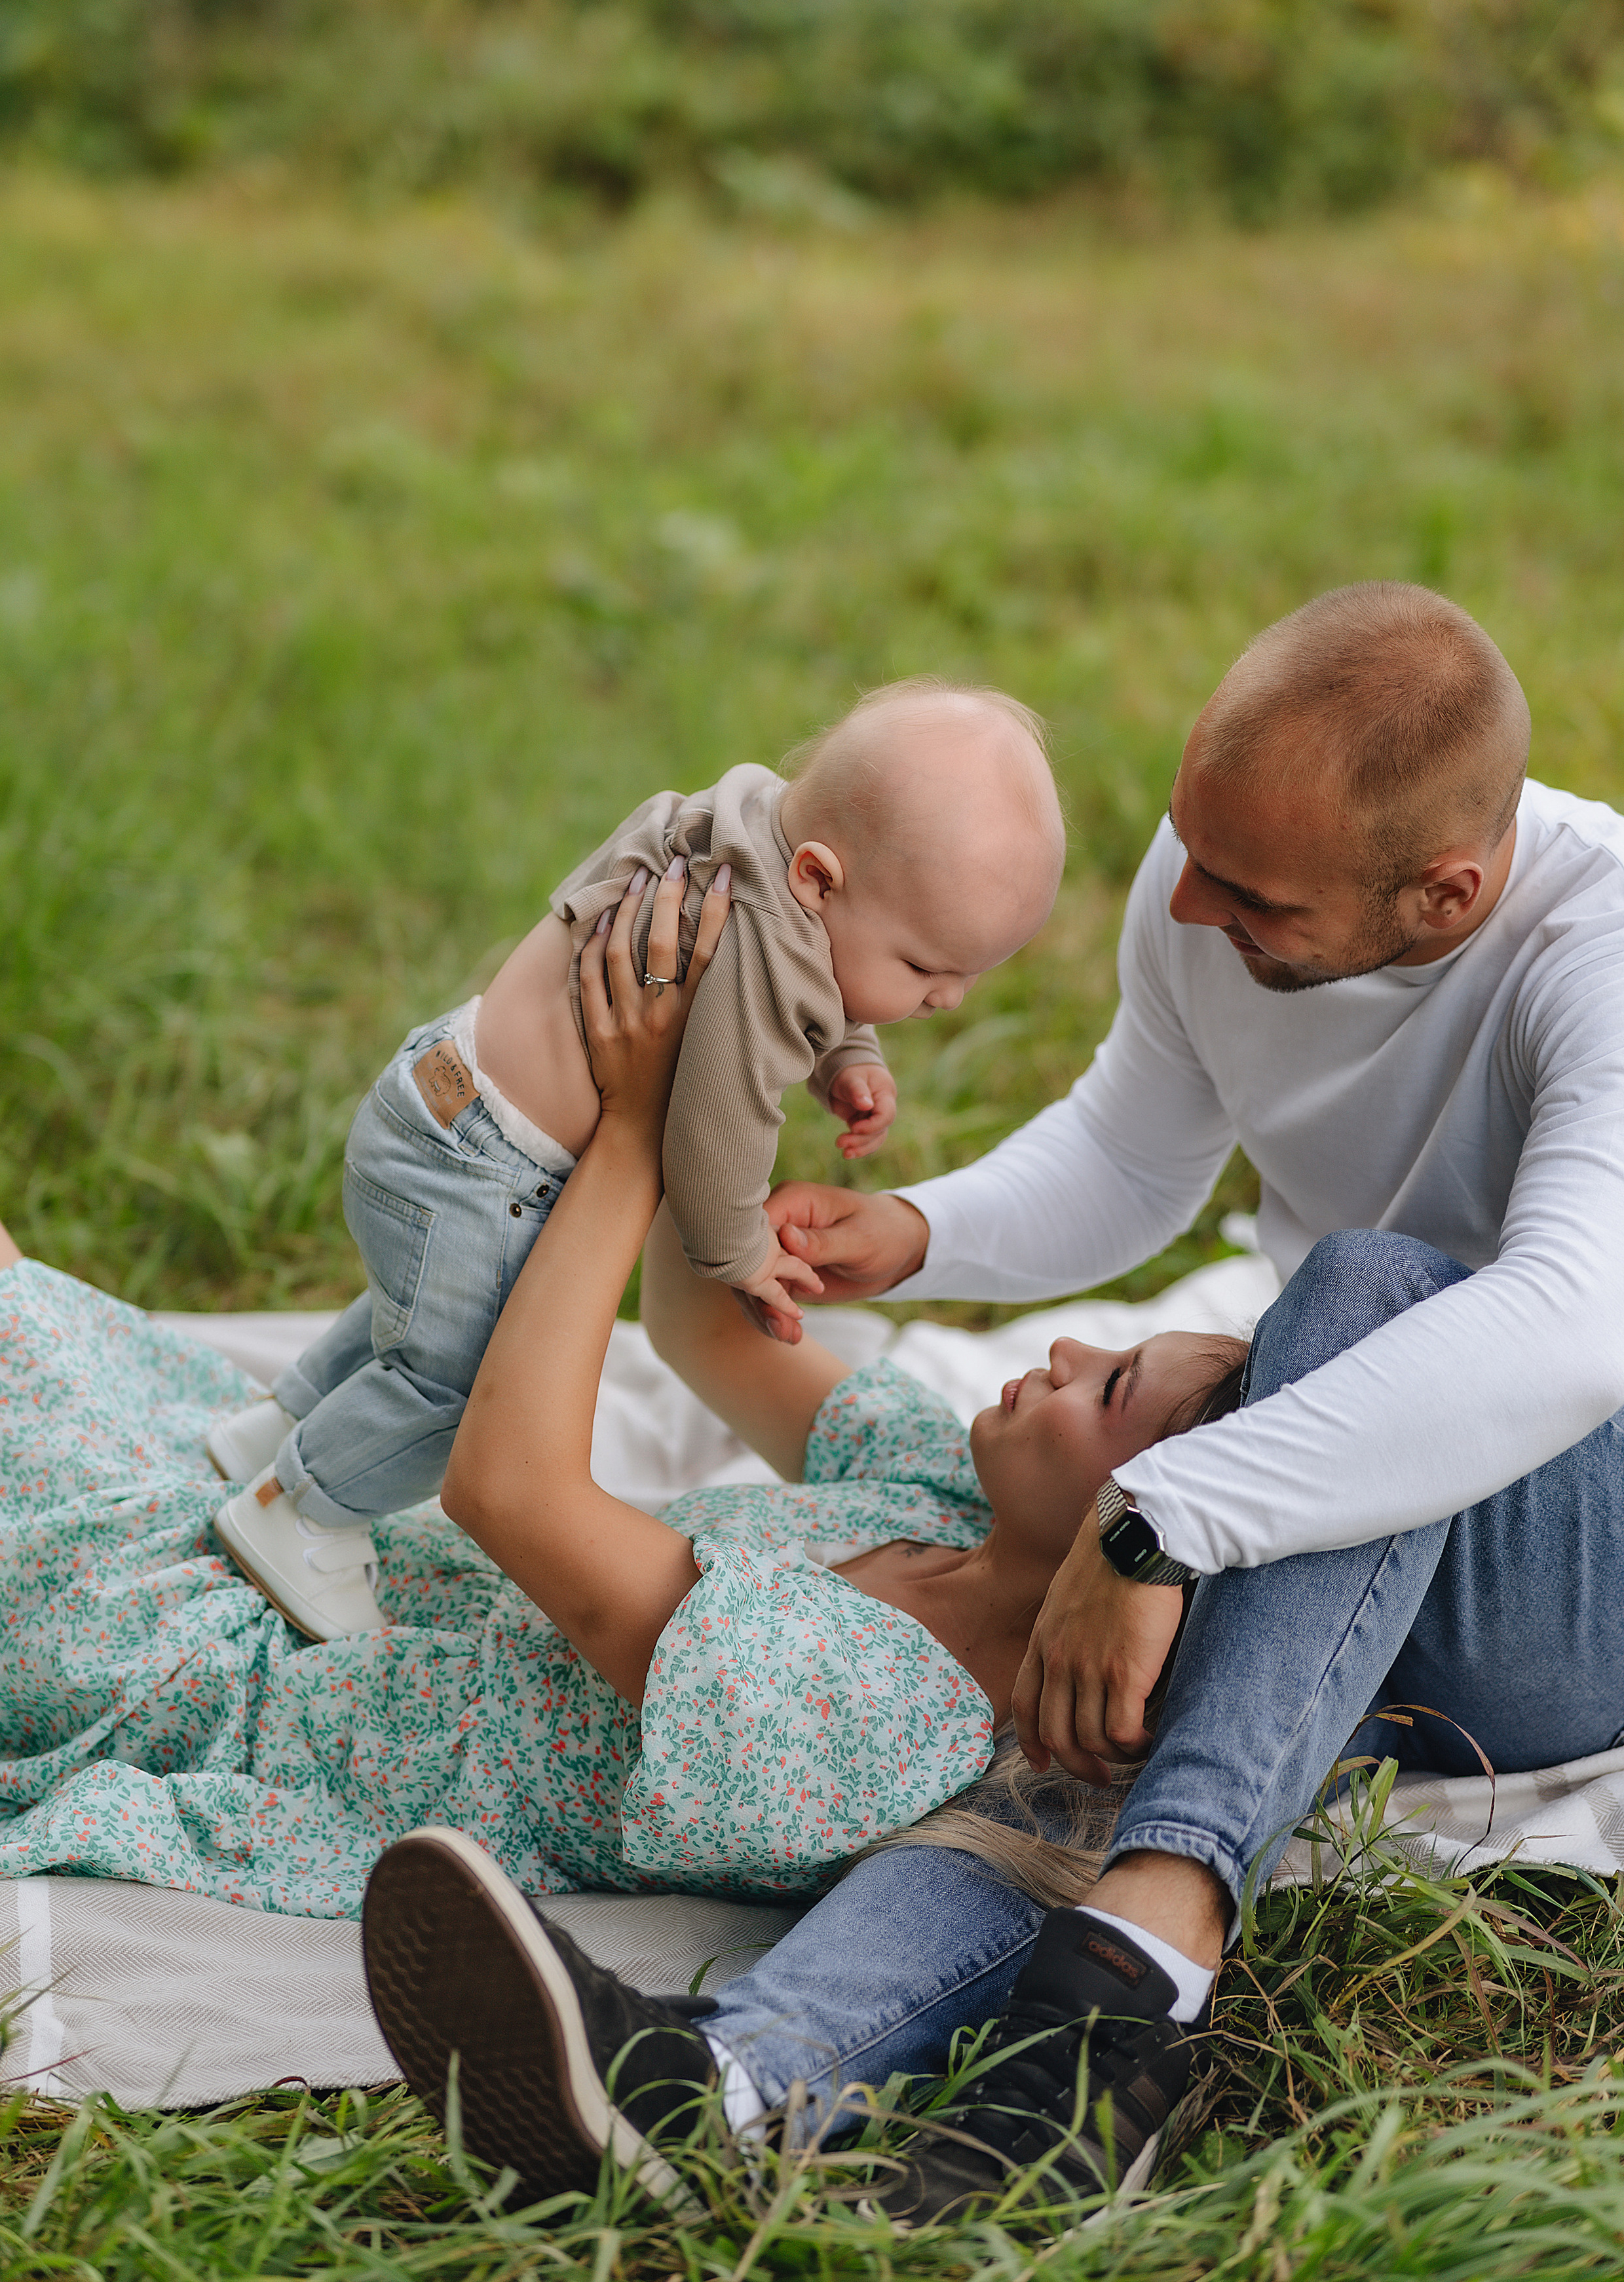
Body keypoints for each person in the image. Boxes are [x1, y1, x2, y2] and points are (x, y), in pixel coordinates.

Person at [359, 579, 1624, 2228]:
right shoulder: (1219, 869)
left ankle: (1143, 1965)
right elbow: (1134, 1153)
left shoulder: (1594, 952)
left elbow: (1562, 1333)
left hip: (1567, 1568)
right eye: (1186, 846)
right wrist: (919, 1231)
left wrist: (1158, 1520)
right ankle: (730, 2080)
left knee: (1364, 1290)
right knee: (1052, 1733)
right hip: (1324, 1530)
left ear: (1445, 889)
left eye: (1247, 895)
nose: (1185, 906)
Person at [0, 865, 1241, 1971]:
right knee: (56, 1360)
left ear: (1142, 1546)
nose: (1066, 1346)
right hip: (328, 1570)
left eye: (1111, 1385)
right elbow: (700, 1330)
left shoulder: (867, 1717)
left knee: (6, 1329)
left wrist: (634, 1127)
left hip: (252, 1708)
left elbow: (505, 1488)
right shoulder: (946, 1498)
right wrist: (742, 1066)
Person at [209, 678, 1064, 1642]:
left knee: (427, 1311)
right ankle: (300, 1510)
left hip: (438, 1094)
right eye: (925, 968)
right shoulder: (768, 951)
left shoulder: (745, 826)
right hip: (485, 1168)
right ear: (819, 881)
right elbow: (713, 1126)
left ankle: (278, 1425)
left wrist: (846, 1054)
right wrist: (740, 1250)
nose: (949, 999)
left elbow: (811, 978)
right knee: (463, 1377)